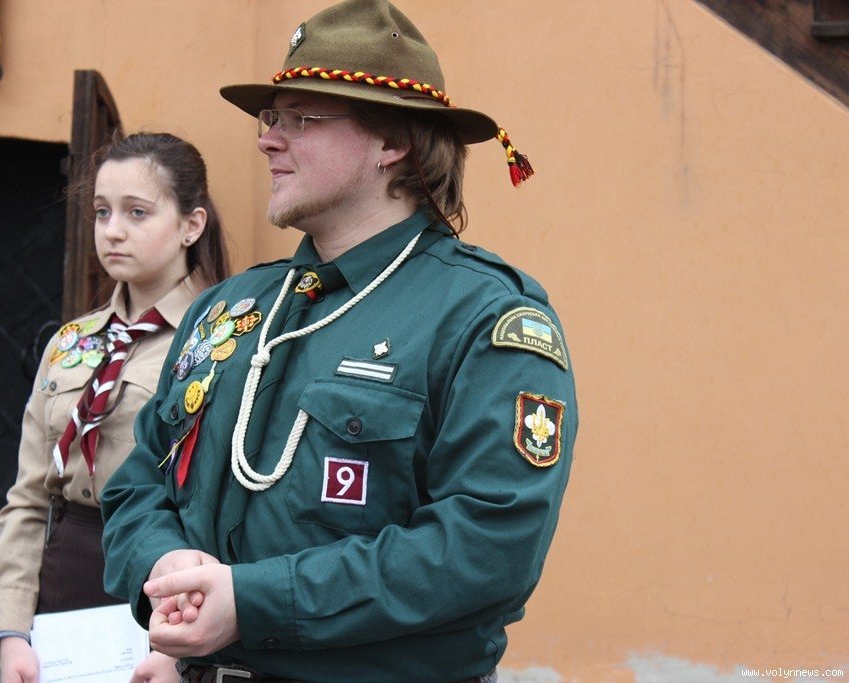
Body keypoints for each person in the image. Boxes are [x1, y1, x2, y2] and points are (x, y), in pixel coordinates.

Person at [101, 1, 577, 681]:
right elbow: (138, 482)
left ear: (392, 142)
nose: (268, 140)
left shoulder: (483, 317)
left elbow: (487, 547)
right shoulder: (231, 307)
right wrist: (166, 565)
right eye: (272, 118)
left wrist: (254, 602)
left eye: (301, 118)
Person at [0, 132, 230, 683]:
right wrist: (14, 633)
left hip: (163, 582)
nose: (112, 230)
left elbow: (223, 507)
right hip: (63, 582)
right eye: (102, 212)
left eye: (136, 212)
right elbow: (29, 496)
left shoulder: (224, 342)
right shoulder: (71, 342)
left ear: (191, 225)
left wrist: (180, 647)